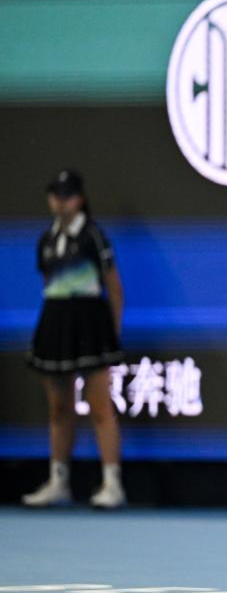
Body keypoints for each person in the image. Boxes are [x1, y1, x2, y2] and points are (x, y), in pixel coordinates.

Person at [22, 169, 127, 509]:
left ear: (80, 199)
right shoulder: (46, 240)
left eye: (67, 196)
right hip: (55, 321)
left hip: (90, 323)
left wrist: (111, 331)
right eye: (56, 195)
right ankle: (58, 482)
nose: (60, 202)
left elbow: (114, 287)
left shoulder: (93, 236)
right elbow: (48, 285)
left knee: (100, 407)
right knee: (58, 408)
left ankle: (112, 483)